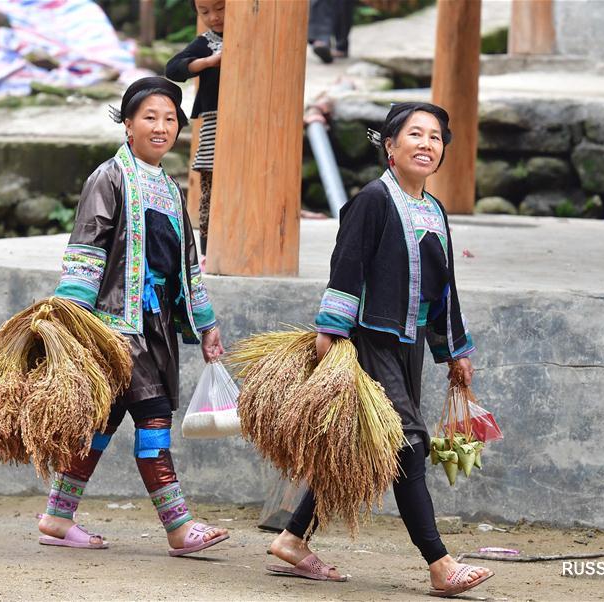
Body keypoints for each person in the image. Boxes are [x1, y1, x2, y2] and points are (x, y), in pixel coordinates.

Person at [265, 102, 494, 597]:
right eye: (415, 134)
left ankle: (291, 539)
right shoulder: (373, 199)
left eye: (435, 137)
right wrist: (331, 330)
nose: (427, 144)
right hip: (367, 338)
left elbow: (443, 288)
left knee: (360, 446)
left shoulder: (433, 211)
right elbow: (346, 263)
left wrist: (454, 350)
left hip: (407, 344)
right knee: (409, 443)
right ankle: (440, 563)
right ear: (390, 146)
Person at [38, 76, 229, 556]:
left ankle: (57, 518)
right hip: (115, 328)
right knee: (154, 419)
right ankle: (179, 527)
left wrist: (206, 325)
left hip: (157, 326)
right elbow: (86, 250)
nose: (161, 127)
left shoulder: (168, 185)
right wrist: (72, 324)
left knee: (102, 423)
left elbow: (186, 264)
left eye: (170, 119)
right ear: (127, 125)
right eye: (150, 117)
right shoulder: (109, 177)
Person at [165, 0, 225, 256]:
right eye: (204, 12)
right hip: (216, 119)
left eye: (220, 8)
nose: (213, 17)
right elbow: (174, 68)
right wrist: (209, 62)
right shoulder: (207, 42)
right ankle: (208, 248)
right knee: (212, 179)